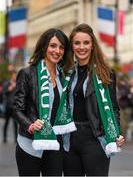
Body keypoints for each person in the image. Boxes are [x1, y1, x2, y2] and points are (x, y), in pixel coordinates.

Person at [63, 23, 125, 176]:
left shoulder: (106, 73)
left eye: (86, 42)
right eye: (77, 43)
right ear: (72, 46)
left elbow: (113, 107)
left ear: (92, 46)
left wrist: (116, 132)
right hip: (69, 138)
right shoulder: (66, 72)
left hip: (95, 137)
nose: (81, 47)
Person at [13, 28, 73, 176]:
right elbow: (17, 108)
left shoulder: (63, 76)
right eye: (53, 46)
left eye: (61, 47)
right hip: (30, 143)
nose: (57, 50)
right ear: (44, 46)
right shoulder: (27, 73)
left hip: (55, 143)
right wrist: (30, 125)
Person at [3, 70, 18, 143]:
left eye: (16, 76)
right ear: (11, 76)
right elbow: (3, 92)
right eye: (14, 76)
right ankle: (4, 137)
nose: (15, 77)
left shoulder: (18, 84)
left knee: (15, 124)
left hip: (15, 107)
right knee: (6, 122)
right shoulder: (7, 83)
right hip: (8, 106)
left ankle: (16, 139)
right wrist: (10, 88)